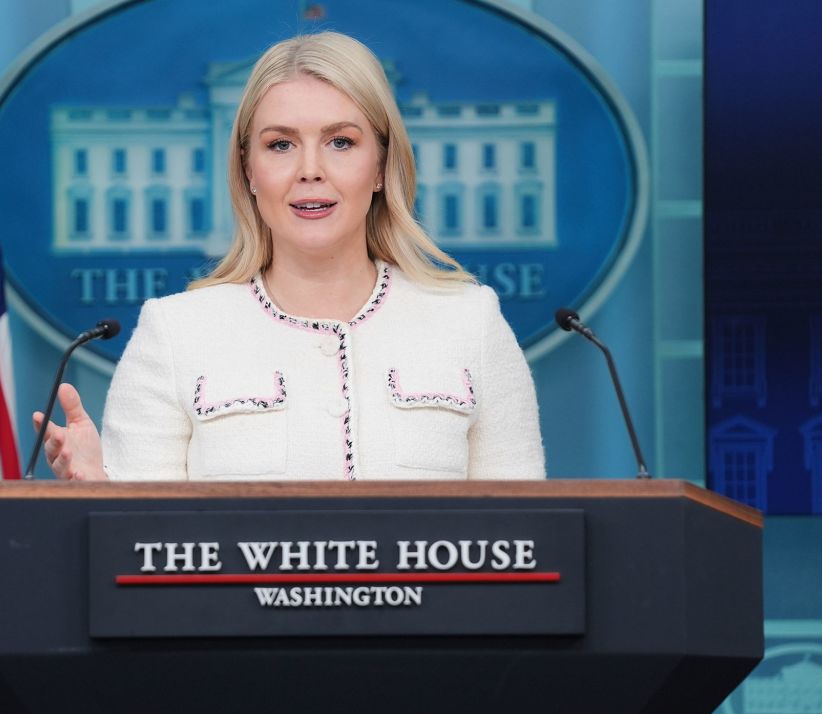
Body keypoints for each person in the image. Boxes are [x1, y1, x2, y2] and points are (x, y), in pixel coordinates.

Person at [34, 31, 545, 481]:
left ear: (381, 166)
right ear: (248, 170)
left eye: (341, 142)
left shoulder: (471, 321)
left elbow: (526, 536)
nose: (310, 169)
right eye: (281, 145)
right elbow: (141, 546)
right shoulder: (174, 333)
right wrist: (100, 494)